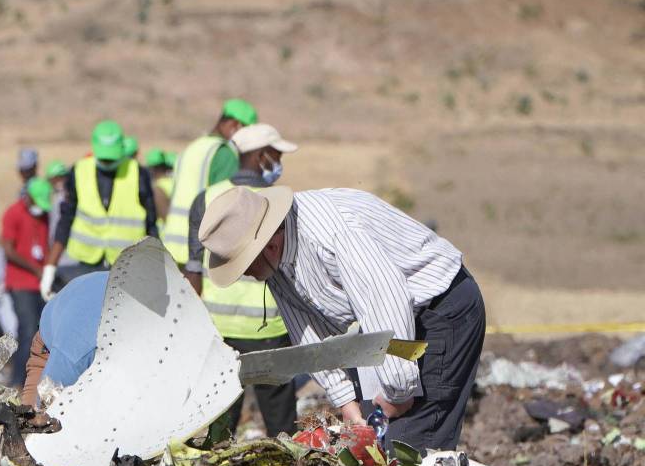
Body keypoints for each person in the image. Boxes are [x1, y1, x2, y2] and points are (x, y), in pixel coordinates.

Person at [200, 185, 486, 452]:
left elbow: (385, 300)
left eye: (245, 266)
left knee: (409, 447)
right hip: (387, 330)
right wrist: (348, 404)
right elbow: (308, 329)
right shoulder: (276, 257)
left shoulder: (334, 234)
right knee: (367, 443)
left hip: (440, 308)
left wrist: (396, 394)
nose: (246, 275)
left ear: (269, 247)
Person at [185, 123, 300, 437]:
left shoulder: (206, 198)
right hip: (269, 329)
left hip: (219, 332)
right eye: (276, 156)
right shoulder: (277, 203)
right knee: (282, 432)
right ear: (261, 156)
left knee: (217, 429)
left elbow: (194, 269)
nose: (279, 163)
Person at [39, 120, 158, 299]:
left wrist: (156, 267)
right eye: (103, 157)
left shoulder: (138, 174)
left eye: (112, 157)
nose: (107, 162)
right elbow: (65, 221)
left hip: (127, 267)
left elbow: (151, 225)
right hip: (87, 265)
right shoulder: (79, 171)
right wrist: (50, 268)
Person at [162, 98, 257, 268]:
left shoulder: (192, 148)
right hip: (197, 249)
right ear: (234, 125)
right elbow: (226, 204)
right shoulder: (223, 154)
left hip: (171, 247)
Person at [19, 270, 109, 407]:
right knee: (33, 415)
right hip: (52, 340)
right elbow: (46, 399)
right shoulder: (74, 353)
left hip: (88, 292)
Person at [1, 177, 51, 385]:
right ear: (28, 197)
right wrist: (34, 269)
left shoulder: (43, 215)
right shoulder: (13, 213)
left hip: (41, 283)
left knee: (43, 332)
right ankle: (17, 382)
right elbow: (9, 250)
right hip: (20, 283)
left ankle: (37, 381)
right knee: (28, 329)